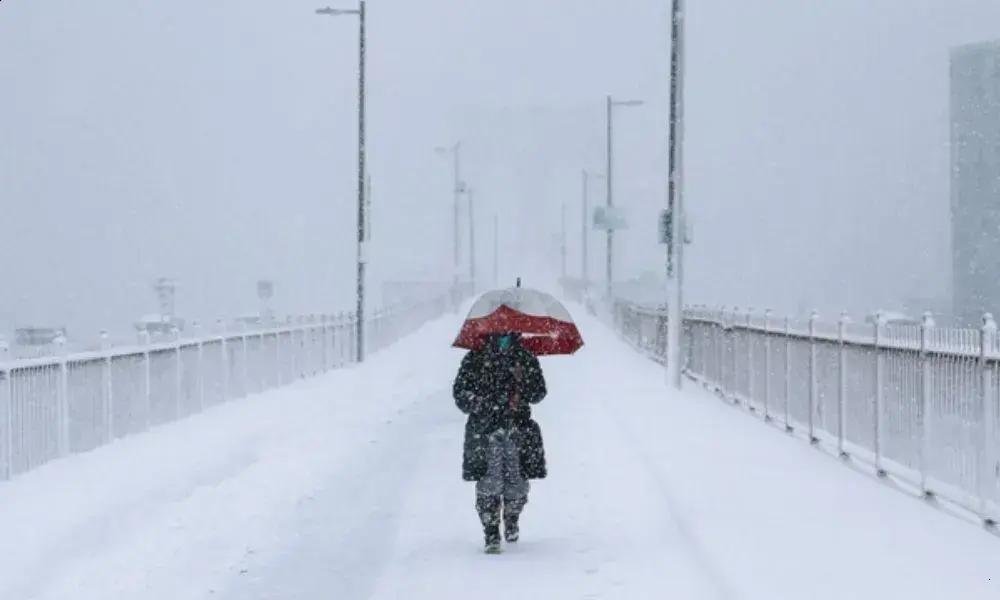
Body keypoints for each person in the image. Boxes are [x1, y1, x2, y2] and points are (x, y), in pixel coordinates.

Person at [453, 331, 547, 554]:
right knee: (489, 481)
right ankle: (491, 530)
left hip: (517, 428)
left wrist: (522, 382)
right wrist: (478, 402)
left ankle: (512, 516)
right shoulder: (475, 357)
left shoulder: (525, 357)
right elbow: (460, 393)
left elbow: (539, 393)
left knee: (517, 481)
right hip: (485, 430)